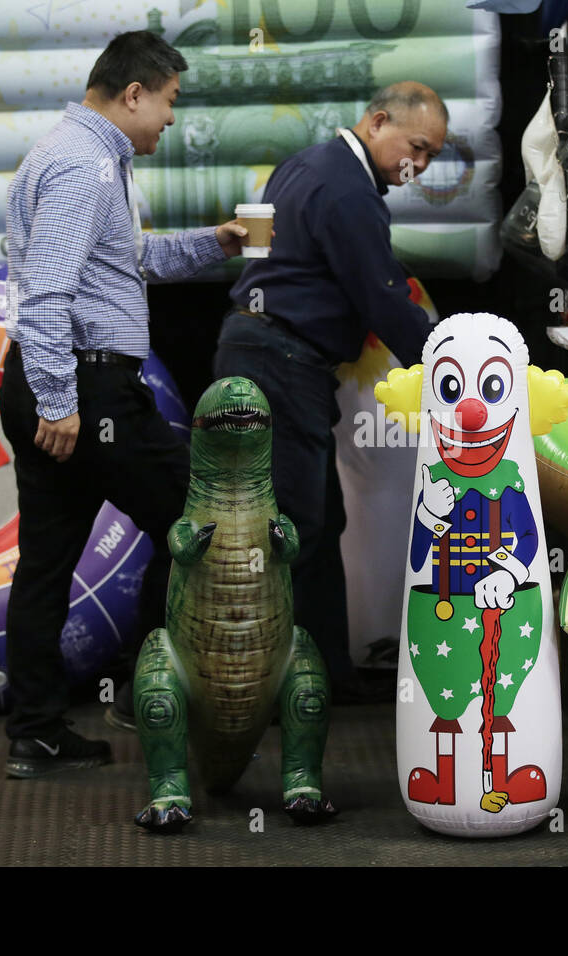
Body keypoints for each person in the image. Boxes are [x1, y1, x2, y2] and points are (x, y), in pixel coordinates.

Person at [0, 30, 249, 778]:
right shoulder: (85, 166)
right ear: (134, 93)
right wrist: (57, 401)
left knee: (44, 565)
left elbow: (131, 262)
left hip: (65, 384)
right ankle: (151, 702)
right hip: (83, 387)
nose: (170, 120)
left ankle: (35, 734)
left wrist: (218, 241)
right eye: (169, 102)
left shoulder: (76, 154)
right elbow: (46, 293)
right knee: (199, 522)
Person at [212, 82, 448, 702]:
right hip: (281, 360)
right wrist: (451, 366)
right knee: (289, 530)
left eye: (431, 157)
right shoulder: (347, 189)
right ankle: (251, 690)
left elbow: (265, 255)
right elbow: (381, 295)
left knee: (314, 523)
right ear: (377, 122)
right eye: (417, 147)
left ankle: (324, 681)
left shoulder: (304, 164)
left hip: (259, 349)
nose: (419, 165)